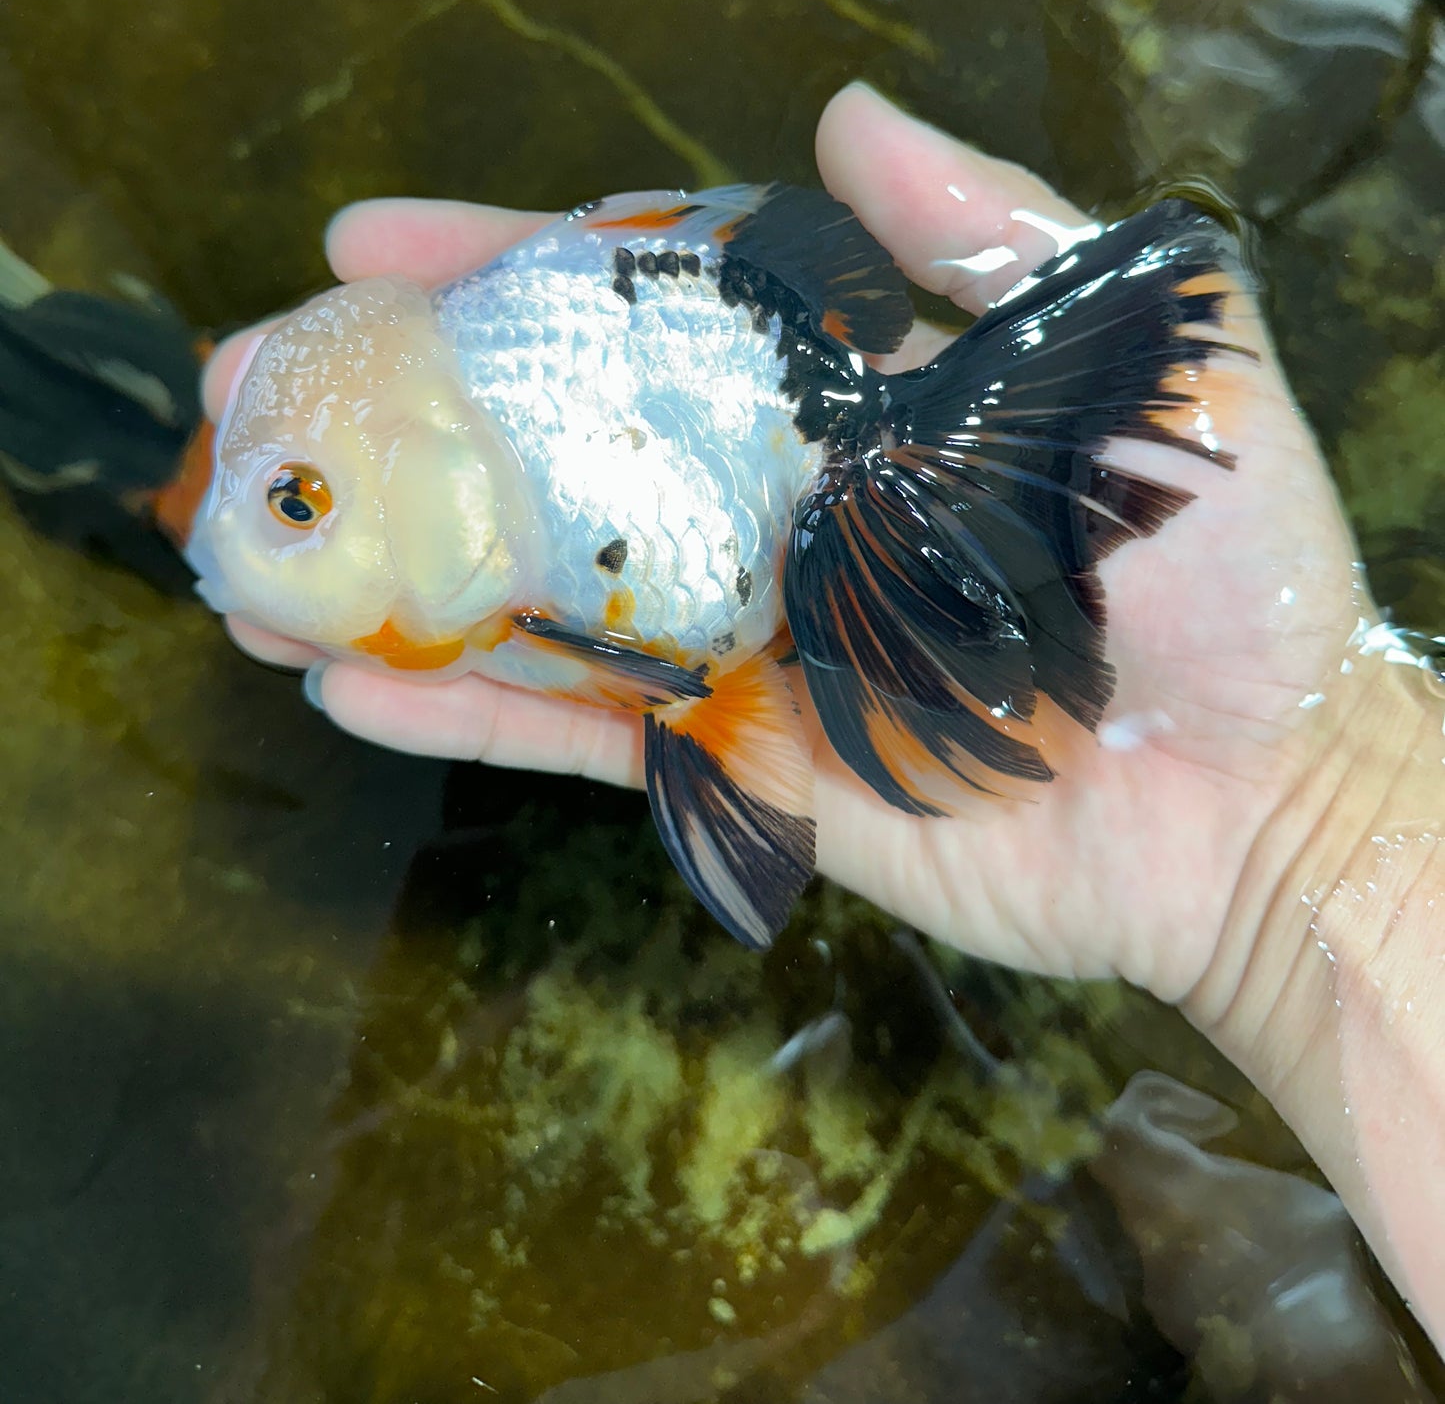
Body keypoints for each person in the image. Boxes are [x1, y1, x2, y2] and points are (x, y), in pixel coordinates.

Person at [203, 82, 1445, 1345]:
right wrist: (1314, 825)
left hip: (779, 449)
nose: (247, 542)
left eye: (297, 502)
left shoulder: (538, 543)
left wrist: (1310, 800)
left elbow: (688, 677)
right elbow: (695, 695)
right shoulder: (504, 532)